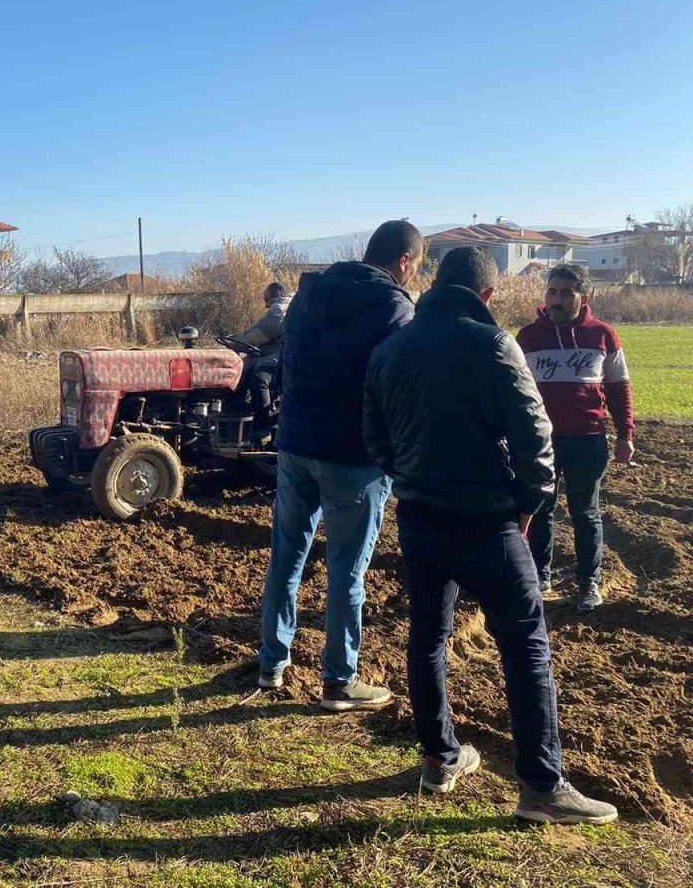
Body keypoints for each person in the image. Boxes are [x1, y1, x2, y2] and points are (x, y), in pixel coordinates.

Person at [364, 246, 617, 824]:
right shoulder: (496, 344)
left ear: (434, 286)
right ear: (487, 296)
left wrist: (406, 480)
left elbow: (373, 435)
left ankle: (439, 758)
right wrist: (528, 504)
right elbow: (536, 437)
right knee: (526, 644)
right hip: (489, 521)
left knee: (428, 636)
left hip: (421, 516)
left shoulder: (391, 348)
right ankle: (542, 786)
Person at [257, 220, 421, 709]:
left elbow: (286, 362)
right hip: (355, 456)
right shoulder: (396, 307)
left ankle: (272, 664)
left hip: (296, 442)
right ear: (405, 263)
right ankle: (340, 680)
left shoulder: (309, 294)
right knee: (347, 569)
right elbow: (396, 386)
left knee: (286, 556)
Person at [515, 264, 634, 612]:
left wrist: (625, 434)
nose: (557, 299)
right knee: (540, 509)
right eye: (552, 291)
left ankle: (588, 582)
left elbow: (619, 388)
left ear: (584, 296)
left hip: (588, 438)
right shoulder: (528, 338)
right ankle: (539, 576)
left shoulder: (603, 335)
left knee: (585, 512)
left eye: (566, 292)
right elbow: (514, 390)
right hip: (541, 442)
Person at [233, 282, 292, 425]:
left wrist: (237, 342)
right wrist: (238, 337)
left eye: (266, 299)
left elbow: (263, 332)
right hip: (274, 353)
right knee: (243, 370)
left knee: (259, 379)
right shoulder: (286, 307)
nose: (265, 305)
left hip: (282, 357)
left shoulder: (281, 308)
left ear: (277, 295)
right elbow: (258, 329)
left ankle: (261, 427)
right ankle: (237, 409)